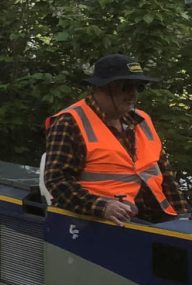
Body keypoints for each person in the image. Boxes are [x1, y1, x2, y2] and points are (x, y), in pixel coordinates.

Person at [44, 54, 190, 226]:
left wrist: (184, 217)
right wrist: (102, 207)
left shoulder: (142, 120)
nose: (133, 94)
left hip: (155, 221)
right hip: (103, 223)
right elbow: (57, 180)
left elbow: (165, 176)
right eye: (126, 87)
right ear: (103, 88)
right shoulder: (70, 122)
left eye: (138, 87)